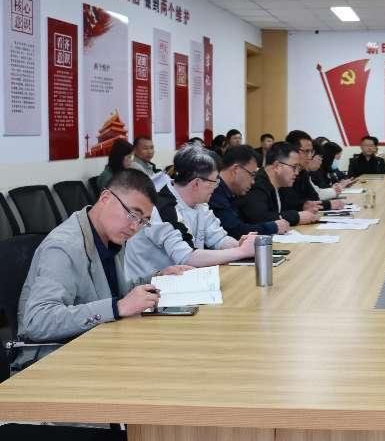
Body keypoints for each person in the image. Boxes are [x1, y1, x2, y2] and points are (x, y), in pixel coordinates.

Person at [13, 170, 192, 370]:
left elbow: (105, 291)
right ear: (106, 198)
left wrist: (156, 278)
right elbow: (38, 321)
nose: (135, 227)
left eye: (143, 221)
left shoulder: (111, 235)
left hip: (96, 343)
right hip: (54, 358)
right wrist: (118, 307)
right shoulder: (64, 247)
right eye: (133, 214)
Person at [123, 144, 258, 280]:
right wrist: (241, 251)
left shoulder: (200, 203)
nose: (215, 187)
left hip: (182, 280)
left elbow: (218, 238)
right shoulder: (162, 207)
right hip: (147, 285)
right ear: (196, 183)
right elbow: (186, 257)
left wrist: (240, 245)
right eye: (214, 182)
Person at [209, 145, 290, 238]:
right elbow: (235, 230)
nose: (253, 182)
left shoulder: (232, 192)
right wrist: (273, 227)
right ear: (236, 170)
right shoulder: (214, 191)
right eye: (252, 174)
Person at [238, 142, 318, 227]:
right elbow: (259, 218)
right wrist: (296, 217)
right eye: (294, 167)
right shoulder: (257, 185)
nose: (297, 173)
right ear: (277, 166)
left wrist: (303, 206)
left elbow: (289, 205)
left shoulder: (282, 185)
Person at [283, 130, 345, 212]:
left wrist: (327, 204)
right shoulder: (284, 173)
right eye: (306, 151)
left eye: (311, 152)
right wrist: (328, 204)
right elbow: (291, 205)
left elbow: (314, 198)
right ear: (292, 151)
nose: (310, 156)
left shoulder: (303, 173)